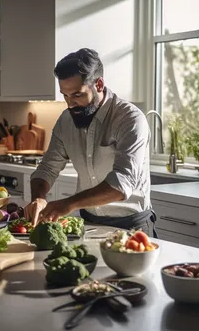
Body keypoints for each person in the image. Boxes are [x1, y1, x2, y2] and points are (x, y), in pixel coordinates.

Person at [24, 48, 157, 237]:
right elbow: (47, 168)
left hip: (132, 229)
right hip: (88, 224)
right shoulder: (66, 120)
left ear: (99, 84)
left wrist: (68, 203)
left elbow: (121, 185)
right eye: (65, 95)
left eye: (77, 95)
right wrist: (38, 198)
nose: (70, 104)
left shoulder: (130, 119)